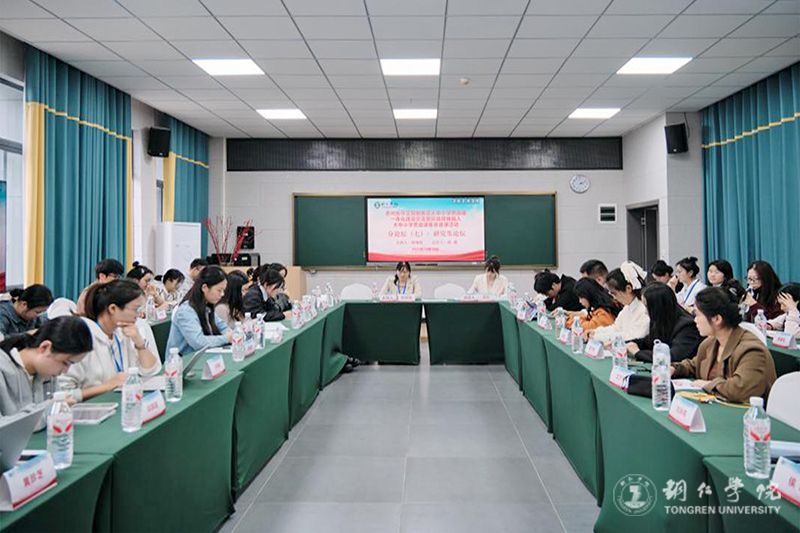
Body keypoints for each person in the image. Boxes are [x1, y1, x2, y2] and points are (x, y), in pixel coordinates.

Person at [671, 287, 776, 403]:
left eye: (697, 315)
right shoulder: (709, 343)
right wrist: (674, 369)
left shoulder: (752, 350)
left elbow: (740, 389)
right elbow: (695, 365)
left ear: (717, 319)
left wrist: (709, 384)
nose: (695, 320)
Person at [63, 280, 161, 402]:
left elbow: (150, 371)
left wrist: (139, 343)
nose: (139, 314)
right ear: (113, 308)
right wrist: (108, 386)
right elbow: (63, 395)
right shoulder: (81, 336)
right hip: (90, 407)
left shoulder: (122, 332)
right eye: (135, 309)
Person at [0, 316, 93, 425]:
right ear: (45, 347)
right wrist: (51, 409)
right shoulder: (3, 369)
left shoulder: (46, 373)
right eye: (65, 363)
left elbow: (57, 404)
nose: (65, 371)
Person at [627, 283, 702, 363]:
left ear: (657, 307)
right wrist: (627, 344)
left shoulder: (687, 327)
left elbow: (673, 356)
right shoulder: (661, 320)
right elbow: (649, 341)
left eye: (647, 307)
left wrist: (638, 352)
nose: (645, 312)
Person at [167, 266, 233, 354]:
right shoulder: (186, 311)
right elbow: (198, 342)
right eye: (219, 290)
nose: (222, 294)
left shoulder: (207, 307)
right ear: (204, 288)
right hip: (182, 360)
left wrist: (232, 334)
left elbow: (222, 326)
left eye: (223, 290)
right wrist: (226, 338)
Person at [591, 262, 650, 343]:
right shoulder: (627, 308)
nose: (614, 298)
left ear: (628, 289)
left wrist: (599, 336)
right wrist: (596, 332)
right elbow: (616, 328)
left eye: (614, 293)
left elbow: (633, 336)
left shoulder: (644, 309)